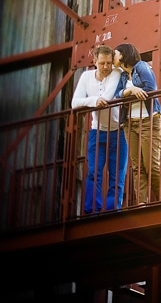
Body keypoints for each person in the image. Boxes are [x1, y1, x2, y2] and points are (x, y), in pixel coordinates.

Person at [71, 44, 128, 213]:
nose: (106, 67)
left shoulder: (116, 73)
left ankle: (112, 211)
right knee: (93, 172)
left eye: (109, 63)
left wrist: (96, 100)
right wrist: (94, 100)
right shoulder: (86, 77)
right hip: (97, 132)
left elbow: (108, 97)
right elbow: (75, 103)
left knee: (116, 176)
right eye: (102, 63)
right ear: (94, 61)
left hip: (119, 132)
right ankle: (91, 210)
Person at [114, 43, 161, 204]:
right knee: (137, 167)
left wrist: (134, 90)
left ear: (124, 55)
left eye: (116, 54)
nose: (113, 57)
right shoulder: (123, 75)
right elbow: (117, 95)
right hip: (130, 123)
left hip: (149, 121)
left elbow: (151, 88)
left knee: (151, 166)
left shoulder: (141, 66)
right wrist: (131, 91)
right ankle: (142, 203)